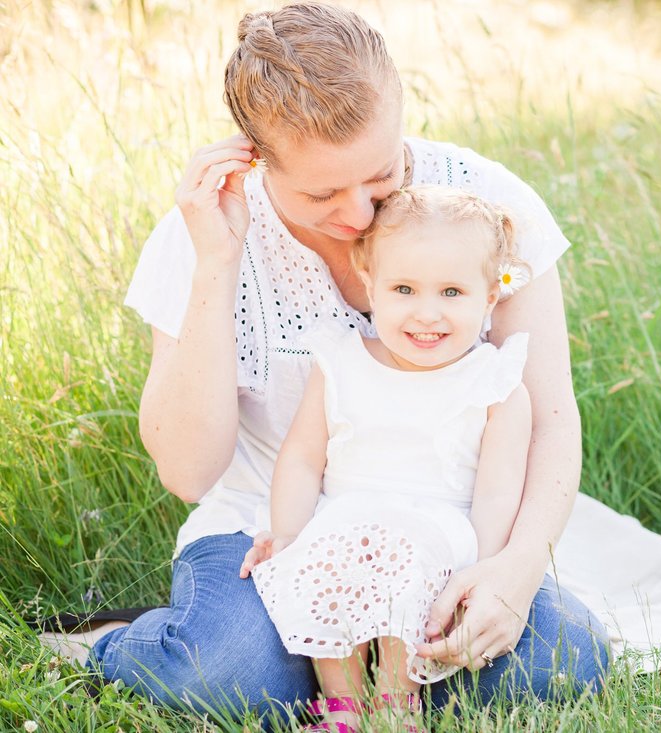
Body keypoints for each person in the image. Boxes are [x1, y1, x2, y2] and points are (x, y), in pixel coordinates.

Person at [57, 2, 609, 727]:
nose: (356, 215)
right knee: (227, 673)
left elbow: (550, 416)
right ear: (254, 157)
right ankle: (114, 643)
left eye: (379, 176)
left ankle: (361, 675)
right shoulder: (205, 230)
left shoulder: (489, 209)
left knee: (561, 661)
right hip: (270, 533)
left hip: (442, 535)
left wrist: (518, 564)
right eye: (321, 193)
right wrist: (217, 264)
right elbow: (188, 471)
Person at [238, 185, 534, 732]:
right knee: (325, 550)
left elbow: (498, 492)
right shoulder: (342, 362)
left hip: (438, 532)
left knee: (407, 555)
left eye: (452, 291)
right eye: (404, 288)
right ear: (369, 283)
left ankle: (399, 703)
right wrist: (288, 532)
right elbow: (303, 458)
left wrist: (481, 569)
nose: (427, 313)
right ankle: (343, 703)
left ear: (490, 297)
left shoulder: (495, 383)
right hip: (346, 515)